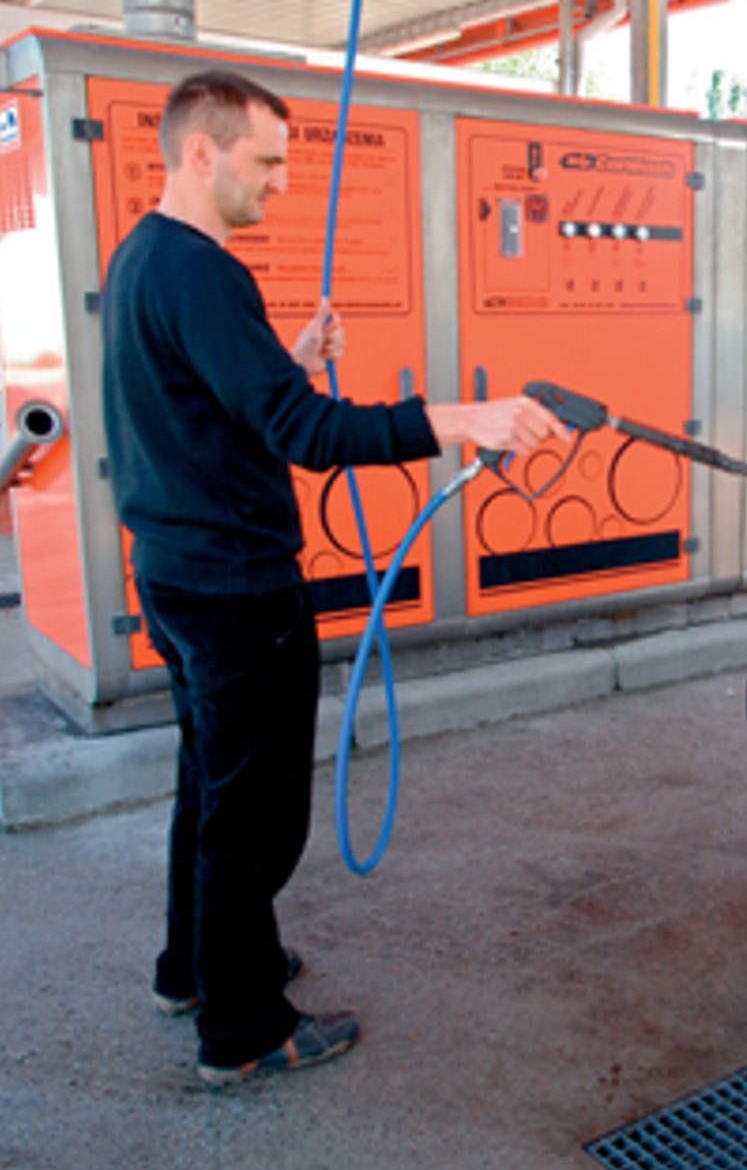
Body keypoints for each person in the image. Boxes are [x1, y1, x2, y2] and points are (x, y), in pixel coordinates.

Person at [101, 69, 567, 1087]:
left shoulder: (146, 259)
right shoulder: (201, 271)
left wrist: (287, 358)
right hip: (233, 592)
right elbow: (307, 435)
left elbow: (220, 404)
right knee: (254, 819)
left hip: (176, 579)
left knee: (208, 791)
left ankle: (195, 968)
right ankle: (241, 1029)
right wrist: (461, 420)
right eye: (264, 162)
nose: (277, 184)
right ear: (199, 152)